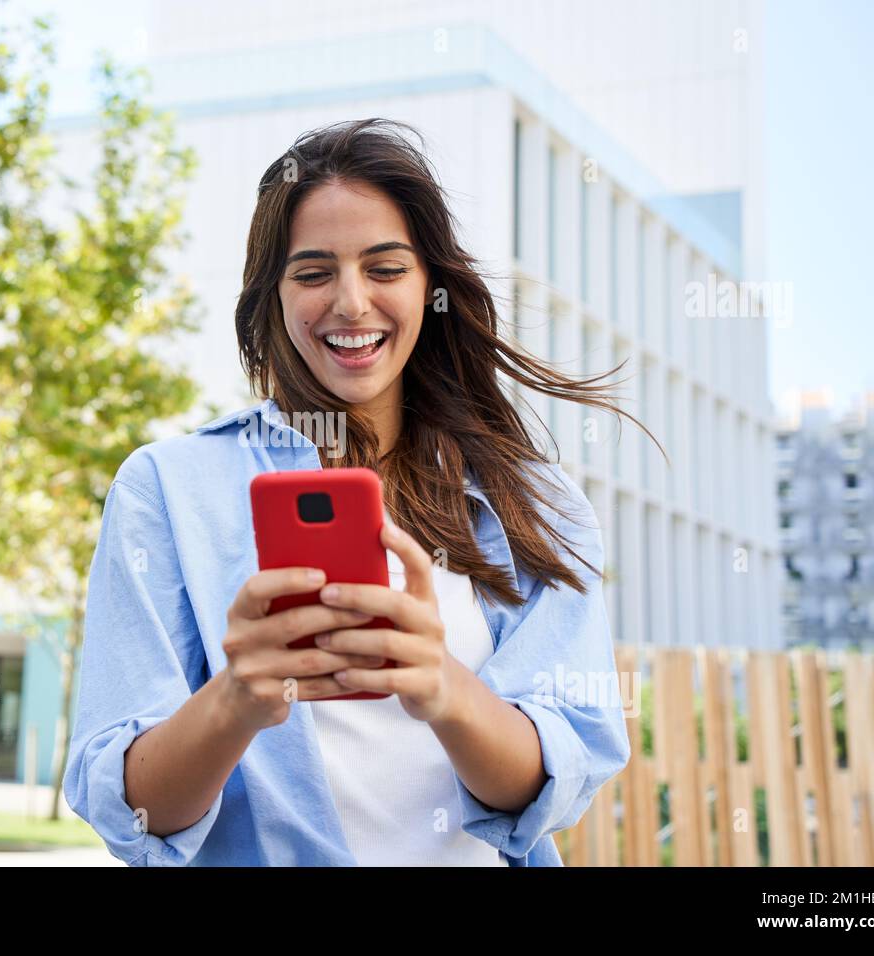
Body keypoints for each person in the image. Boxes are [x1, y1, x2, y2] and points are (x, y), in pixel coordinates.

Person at [64, 117, 648, 866]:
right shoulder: (168, 490)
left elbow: (553, 785)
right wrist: (237, 698)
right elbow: (132, 811)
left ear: (431, 284)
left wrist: (441, 685)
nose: (349, 302)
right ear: (270, 295)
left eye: (384, 267)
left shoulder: (532, 501)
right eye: (312, 273)